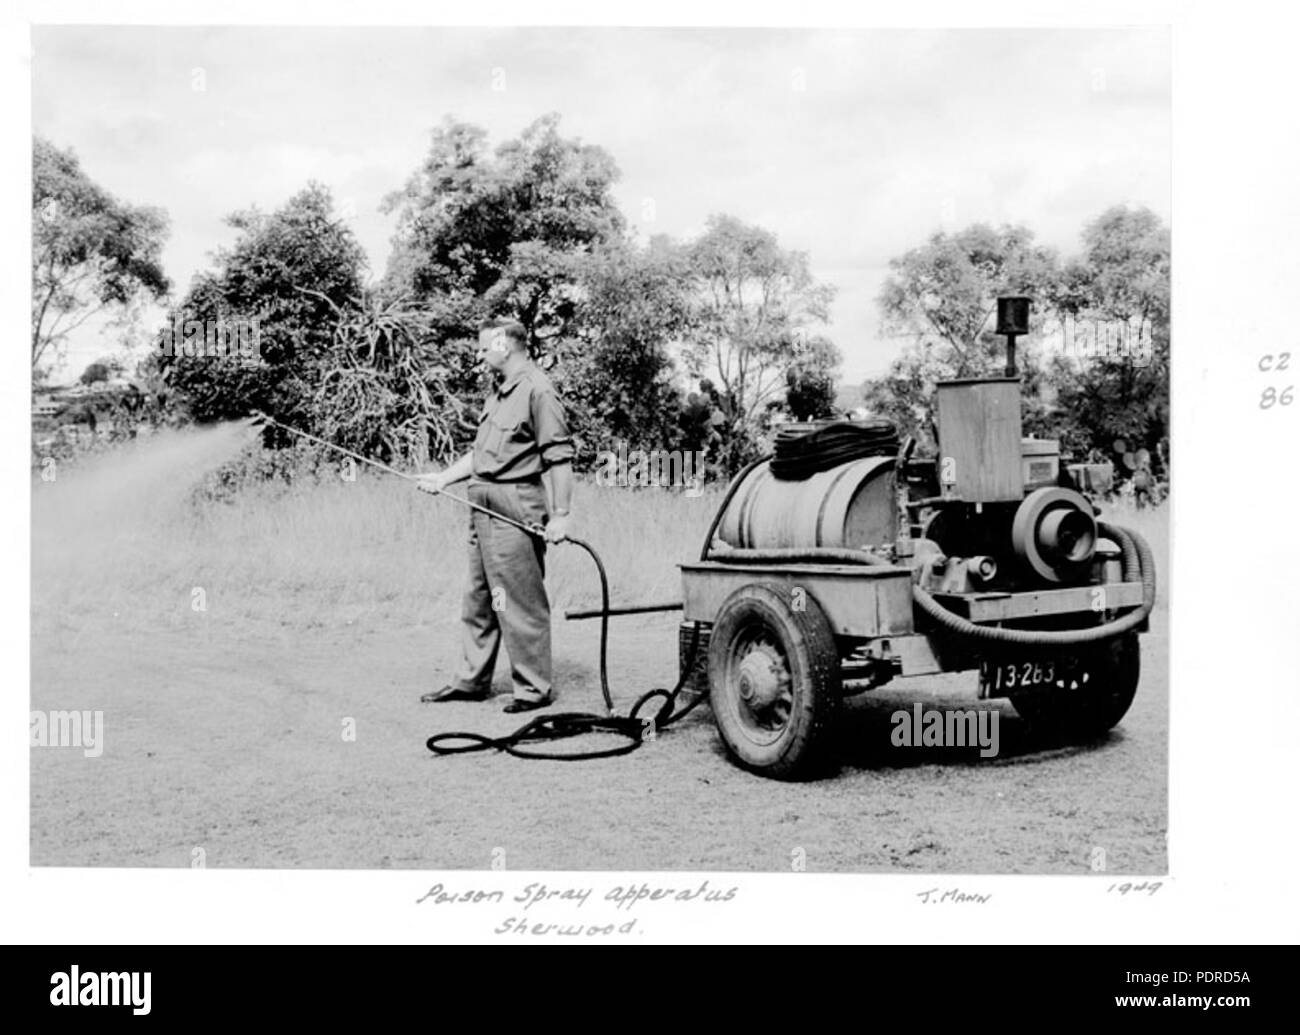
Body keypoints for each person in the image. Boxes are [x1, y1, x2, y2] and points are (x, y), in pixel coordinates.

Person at [417, 318, 575, 713]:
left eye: (485, 346)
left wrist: (560, 515)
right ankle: (471, 682)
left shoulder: (539, 391)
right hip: (481, 505)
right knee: (479, 598)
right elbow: (481, 456)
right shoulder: (498, 395)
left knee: (519, 601)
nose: (479, 352)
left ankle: (533, 689)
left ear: (505, 345)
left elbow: (559, 458)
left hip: (515, 504)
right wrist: (443, 479)